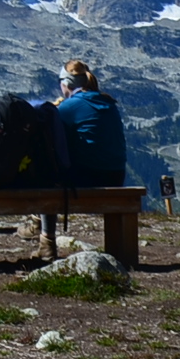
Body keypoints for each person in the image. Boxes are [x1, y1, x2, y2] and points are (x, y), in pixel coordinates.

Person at [38, 59, 129, 259]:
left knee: (47, 171)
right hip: (116, 176)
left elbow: (49, 137)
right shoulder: (108, 102)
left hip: (88, 177)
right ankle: (37, 223)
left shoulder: (68, 107)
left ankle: (46, 239)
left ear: (66, 83)